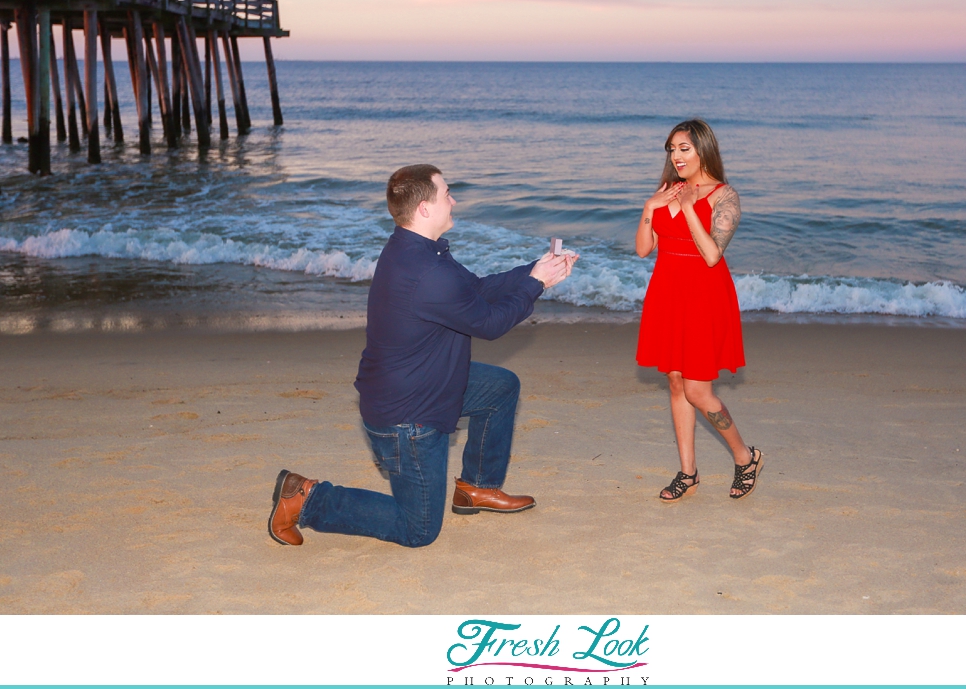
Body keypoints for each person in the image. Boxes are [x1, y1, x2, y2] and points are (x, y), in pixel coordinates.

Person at [269, 164, 577, 548]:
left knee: (500, 387)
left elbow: (477, 289)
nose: (454, 200)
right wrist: (537, 285)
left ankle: (476, 487)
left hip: (426, 383)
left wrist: (533, 270)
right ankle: (307, 499)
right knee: (418, 529)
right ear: (425, 210)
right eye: (447, 193)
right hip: (406, 417)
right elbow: (490, 323)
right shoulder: (426, 271)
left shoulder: (418, 249)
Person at [634, 119, 762, 501]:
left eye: (684, 148)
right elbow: (643, 249)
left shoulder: (726, 196)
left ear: (703, 149)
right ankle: (687, 472)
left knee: (697, 390)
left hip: (704, 295)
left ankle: (745, 456)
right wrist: (649, 206)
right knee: (675, 381)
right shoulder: (667, 190)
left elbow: (711, 254)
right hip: (668, 292)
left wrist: (689, 208)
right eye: (671, 149)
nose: (676, 156)